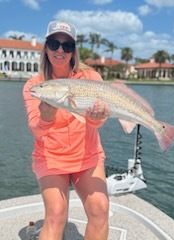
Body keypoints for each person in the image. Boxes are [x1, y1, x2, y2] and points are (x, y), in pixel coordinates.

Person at [23, 20, 109, 240]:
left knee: (100, 208)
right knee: (56, 214)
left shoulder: (91, 78)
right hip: (50, 157)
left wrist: (96, 119)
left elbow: (95, 123)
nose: (60, 50)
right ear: (46, 47)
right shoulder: (35, 85)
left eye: (67, 45)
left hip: (87, 155)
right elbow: (36, 131)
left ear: (73, 51)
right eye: (54, 43)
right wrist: (47, 115)